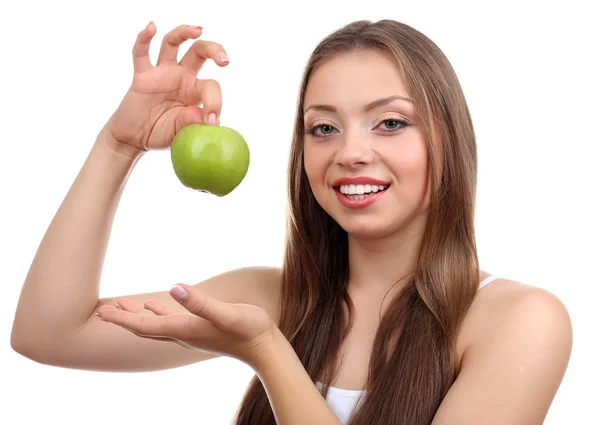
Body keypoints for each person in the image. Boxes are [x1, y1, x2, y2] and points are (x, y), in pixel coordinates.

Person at [10, 19, 572, 425]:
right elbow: (49, 334)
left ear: (449, 139)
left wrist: (267, 351)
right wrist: (119, 145)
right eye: (323, 128)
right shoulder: (274, 296)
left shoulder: (519, 321)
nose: (350, 152)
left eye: (390, 122)